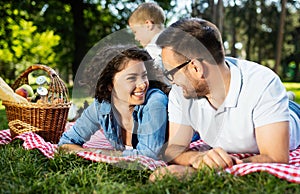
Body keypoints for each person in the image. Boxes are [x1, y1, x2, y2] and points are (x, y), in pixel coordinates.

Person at [149, 17, 300, 180]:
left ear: (196, 68)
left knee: (285, 105)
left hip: (292, 116)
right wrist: (196, 158)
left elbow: (275, 157)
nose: (172, 81)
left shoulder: (263, 83)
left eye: (171, 72)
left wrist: (205, 172)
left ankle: (284, 100)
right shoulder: (181, 92)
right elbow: (174, 148)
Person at [58, 45, 169, 160]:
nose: (142, 85)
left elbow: (148, 156)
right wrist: (94, 152)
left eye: (144, 76)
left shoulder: (155, 101)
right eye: (131, 78)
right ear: (109, 85)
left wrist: (96, 153)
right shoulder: (101, 106)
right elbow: (66, 143)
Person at [128, 2, 165, 69]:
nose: (136, 38)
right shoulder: (174, 43)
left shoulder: (150, 51)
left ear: (148, 25)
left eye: (135, 32)